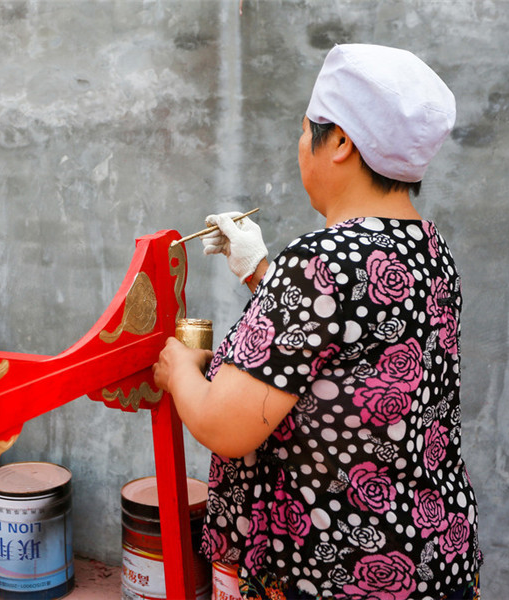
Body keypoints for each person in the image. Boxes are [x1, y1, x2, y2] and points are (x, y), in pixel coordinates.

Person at [153, 44, 482, 599]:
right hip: (436, 551)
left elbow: (226, 427)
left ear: (342, 143)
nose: (300, 145)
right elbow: (352, 347)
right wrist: (261, 271)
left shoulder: (321, 260)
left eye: (307, 130)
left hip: (339, 570)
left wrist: (179, 369)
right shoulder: (429, 249)